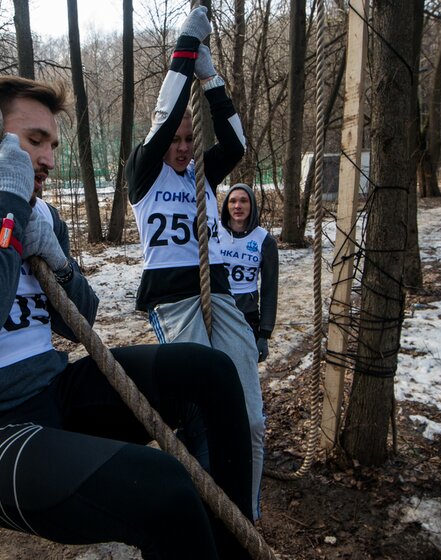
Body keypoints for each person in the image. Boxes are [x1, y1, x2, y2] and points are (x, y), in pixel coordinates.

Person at [0, 74, 254, 557]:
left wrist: (58, 259)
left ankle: (234, 546)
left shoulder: (40, 213)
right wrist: (7, 208)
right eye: (34, 140)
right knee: (164, 486)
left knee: (211, 373)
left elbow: (82, 319)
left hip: (54, 392)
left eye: (52, 144)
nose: (49, 159)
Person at [126, 7, 266, 519]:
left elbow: (236, 142)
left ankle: (246, 523)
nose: (185, 148)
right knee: (205, 413)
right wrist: (185, 48)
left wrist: (211, 77)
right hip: (174, 301)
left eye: (190, 140)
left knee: (248, 419)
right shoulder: (145, 174)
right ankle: (204, 516)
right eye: (178, 141)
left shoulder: (203, 176)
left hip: (221, 295)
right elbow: (164, 120)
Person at [219, 184, 279, 362]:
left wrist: (265, 333)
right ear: (226, 206)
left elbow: (270, 288)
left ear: (251, 205)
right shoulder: (214, 234)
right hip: (217, 311)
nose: (238, 206)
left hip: (247, 314)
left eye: (243, 201)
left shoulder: (265, 240)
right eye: (233, 201)